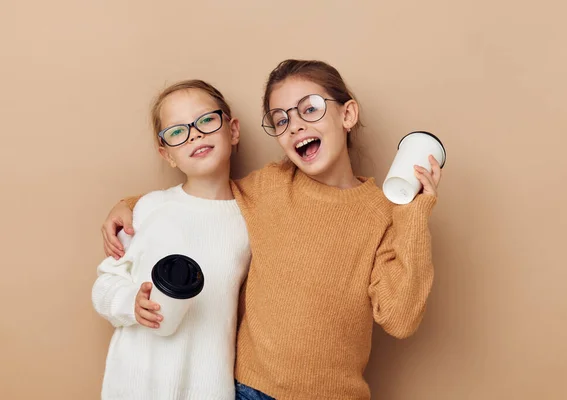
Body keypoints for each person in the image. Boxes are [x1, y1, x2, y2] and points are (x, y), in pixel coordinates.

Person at [102, 60, 442, 400]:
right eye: (282, 119)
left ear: (347, 115)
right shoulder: (271, 186)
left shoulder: (381, 214)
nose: (295, 126)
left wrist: (413, 213)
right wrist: (131, 205)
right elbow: (203, 201)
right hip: (251, 390)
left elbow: (400, 318)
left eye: (310, 109)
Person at [92, 80, 250, 399]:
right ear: (167, 154)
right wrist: (131, 302)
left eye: (206, 120)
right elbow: (104, 286)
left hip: (208, 386)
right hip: (135, 384)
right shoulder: (149, 209)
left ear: (232, 130)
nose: (195, 133)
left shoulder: (251, 219)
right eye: (177, 131)